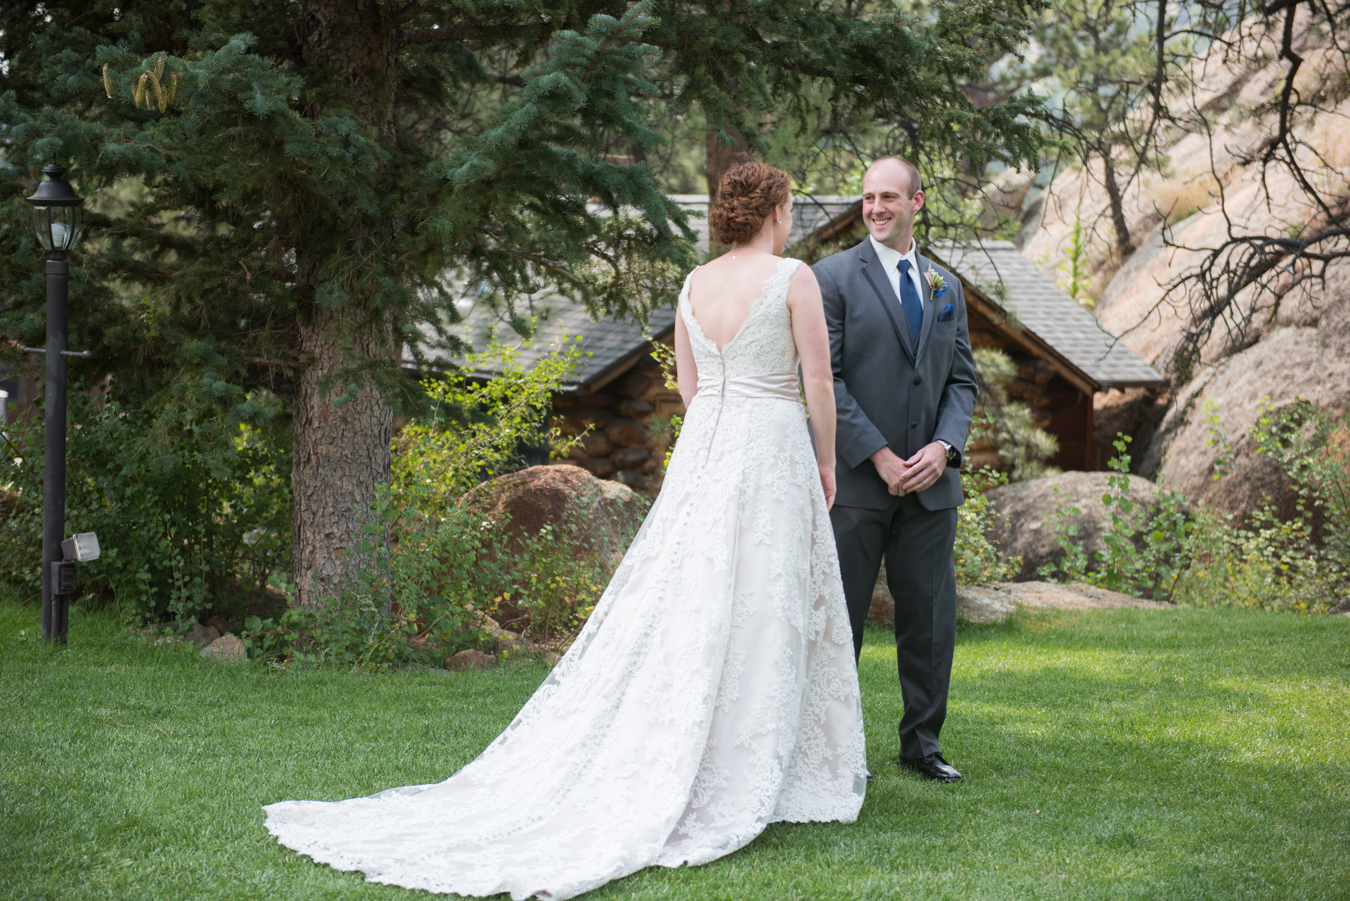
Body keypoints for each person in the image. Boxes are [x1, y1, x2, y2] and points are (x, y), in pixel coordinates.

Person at [263, 161, 867, 900]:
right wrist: (826, 459)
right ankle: (749, 765)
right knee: (763, 597)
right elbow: (816, 380)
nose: (790, 220)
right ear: (773, 210)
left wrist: (723, 420)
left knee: (692, 595)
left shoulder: (693, 285)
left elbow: (689, 386)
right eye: (788, 207)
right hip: (770, 447)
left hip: (708, 451)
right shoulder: (793, 277)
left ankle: (705, 747)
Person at [812, 156, 978, 783]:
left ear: (918, 202)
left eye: (888, 197)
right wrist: (878, 454)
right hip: (857, 482)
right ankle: (836, 750)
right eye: (868, 198)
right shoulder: (830, 278)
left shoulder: (945, 286)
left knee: (930, 619)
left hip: (932, 487)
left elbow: (962, 381)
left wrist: (944, 449)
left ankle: (923, 744)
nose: (876, 208)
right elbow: (824, 379)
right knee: (841, 619)